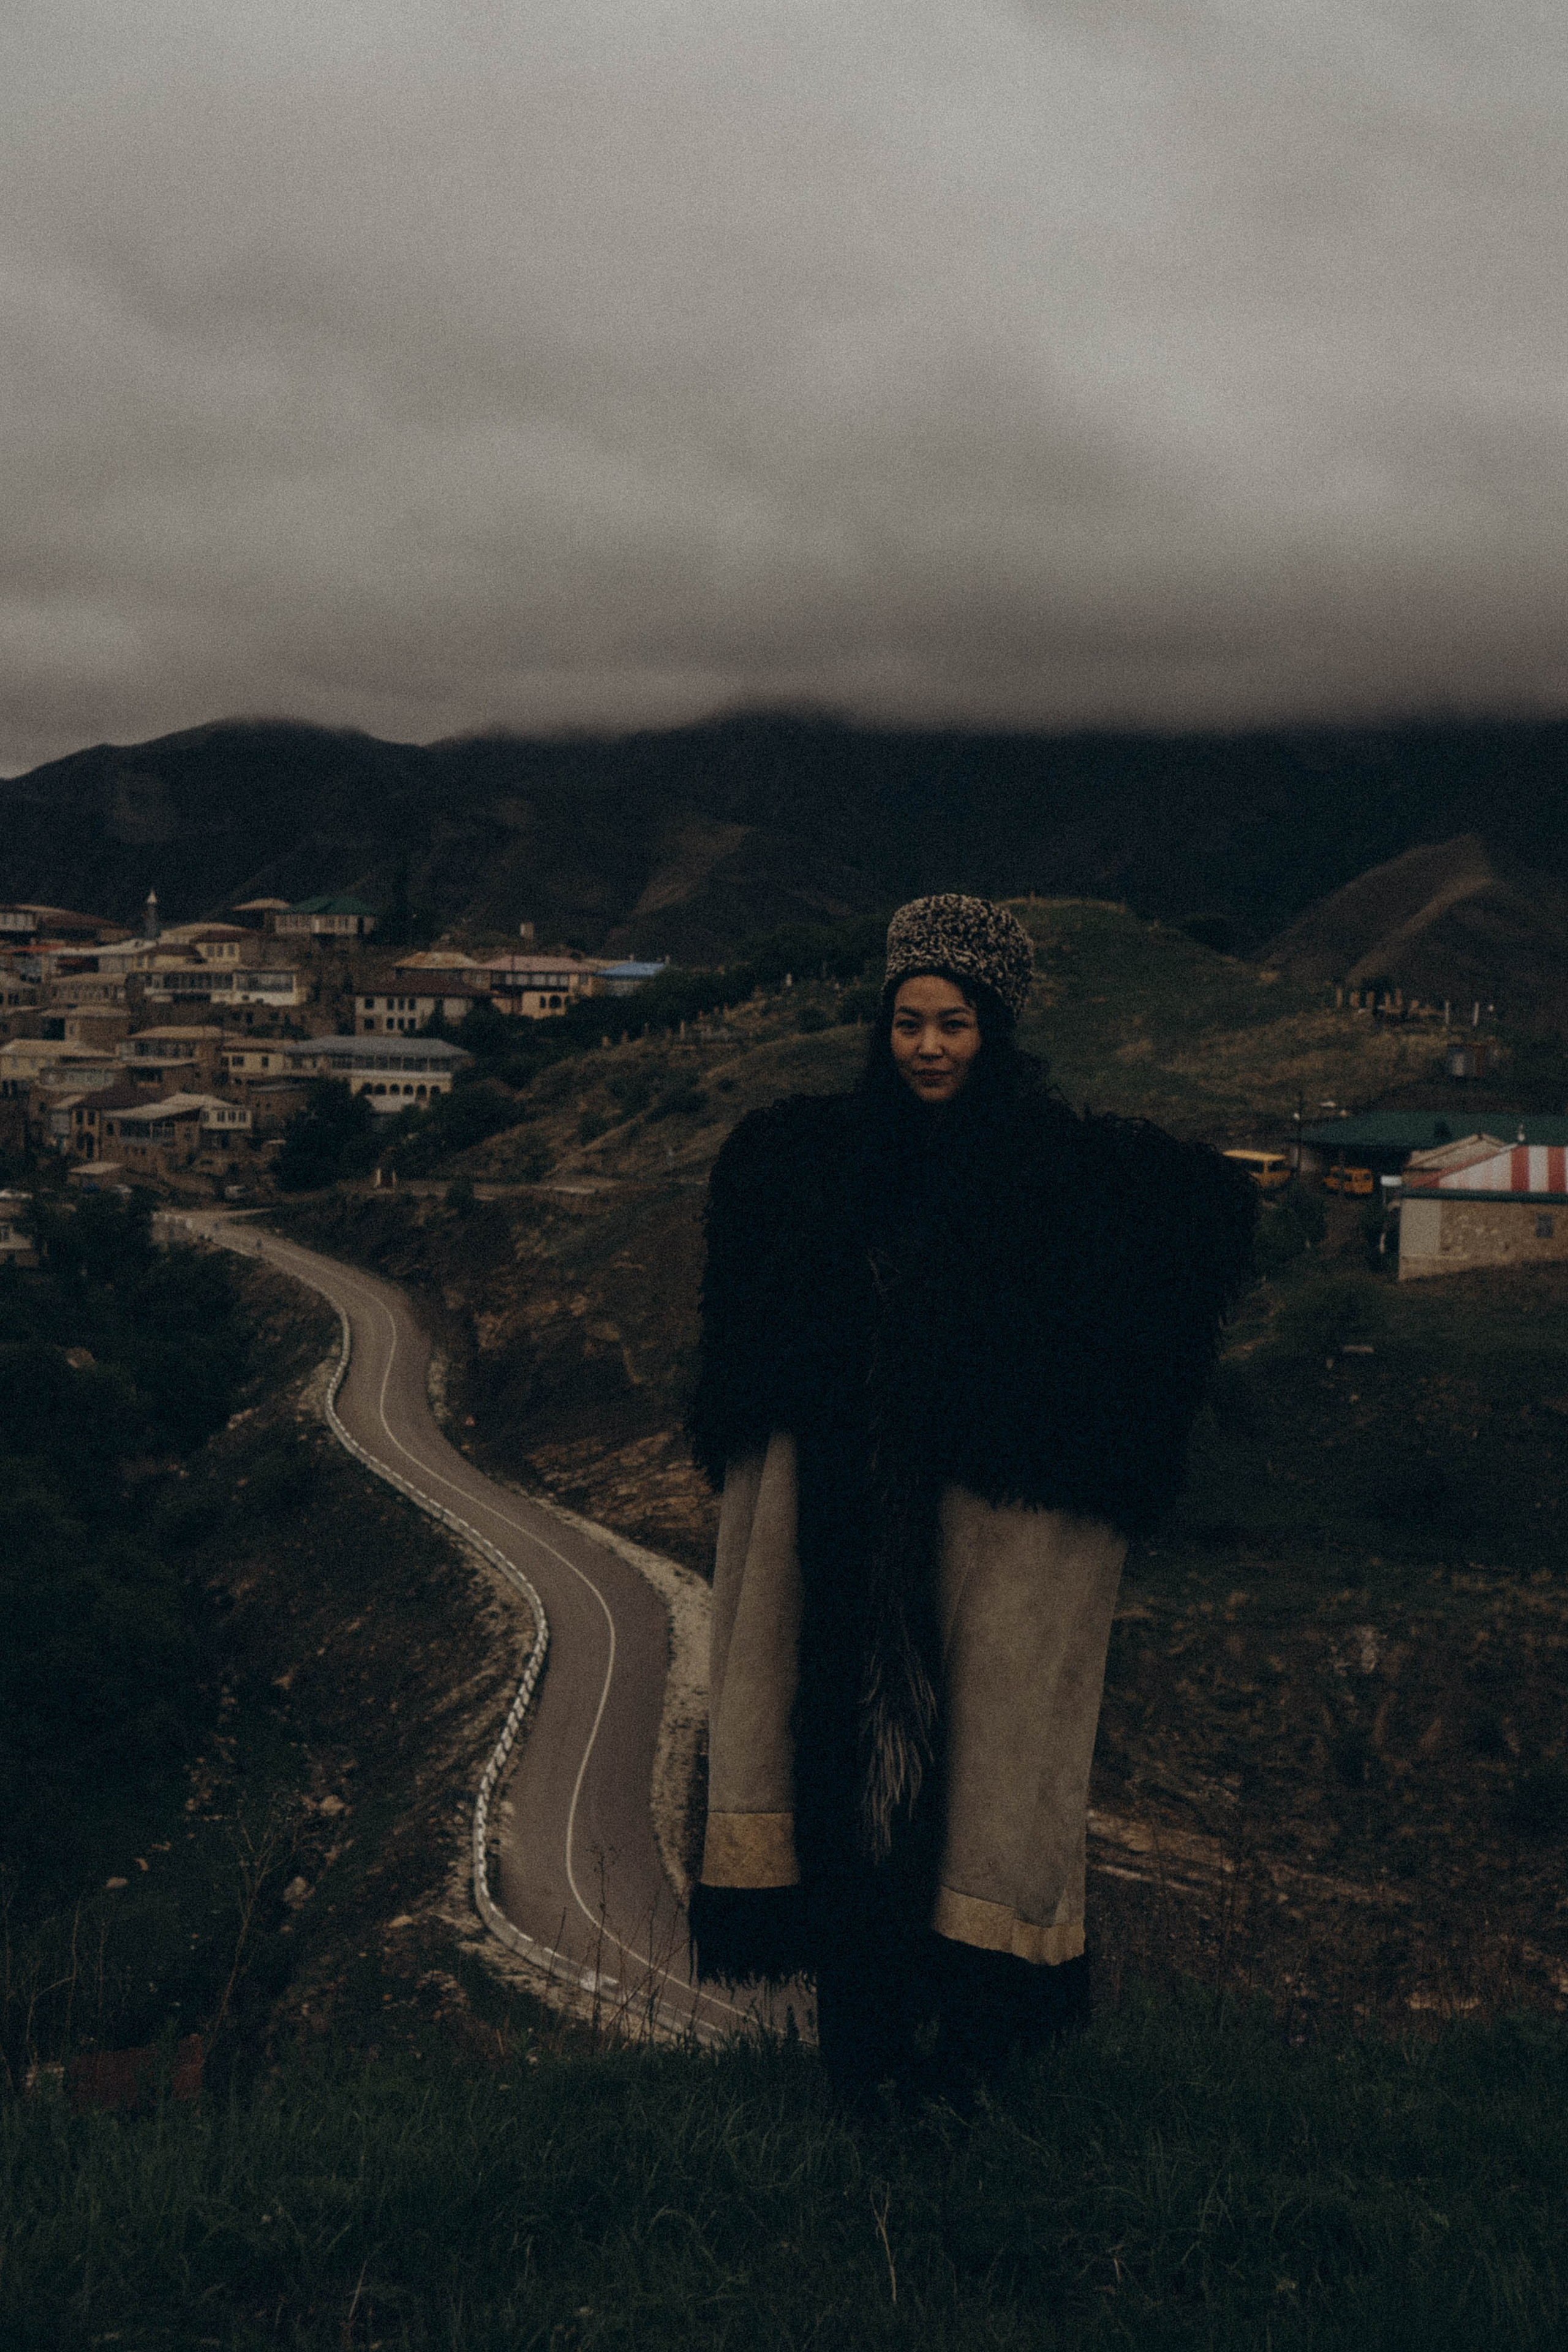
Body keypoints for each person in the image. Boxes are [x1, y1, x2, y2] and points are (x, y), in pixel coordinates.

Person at [687, 894, 1256, 2104]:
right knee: (840, 1803)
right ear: (881, 1029)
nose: (929, 1048)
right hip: (838, 1538)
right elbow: (757, 1315)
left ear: (991, 1029)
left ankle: (970, 2083)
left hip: (965, 1540)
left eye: (952, 1024)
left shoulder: (1048, 1172)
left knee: (973, 1798)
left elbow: (1182, 1223)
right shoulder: (820, 1165)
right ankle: (862, 2078)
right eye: (907, 1024)